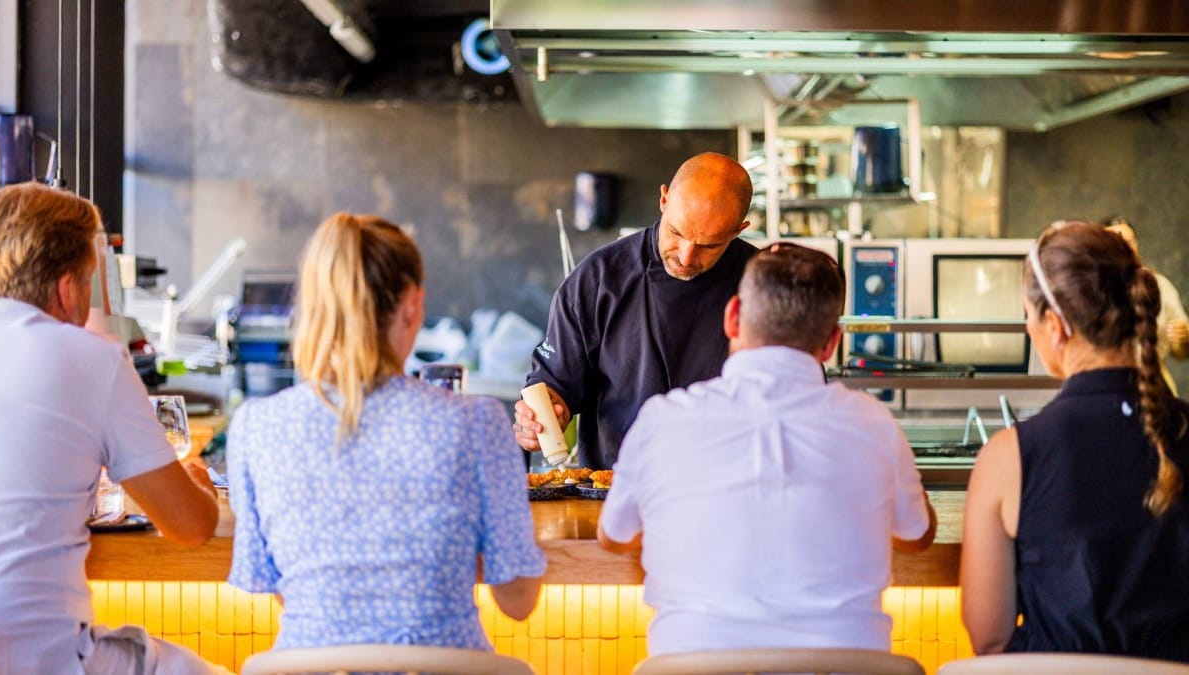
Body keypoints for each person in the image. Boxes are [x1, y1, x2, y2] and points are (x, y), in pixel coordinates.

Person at [596, 242, 937, 656]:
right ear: (831, 342)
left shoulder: (662, 421)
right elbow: (918, 535)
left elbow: (614, 536)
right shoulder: (874, 423)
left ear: (733, 317)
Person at [226, 213, 545, 651]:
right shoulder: (477, 424)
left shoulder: (255, 428)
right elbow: (519, 600)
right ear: (412, 304)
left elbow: (273, 582)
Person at [0, 183, 225, 674]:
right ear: (67, 287)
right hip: (37, 659)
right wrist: (199, 487)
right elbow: (189, 527)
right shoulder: (91, 359)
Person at [961, 221, 1189, 658]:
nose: (1029, 329)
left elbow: (988, 638)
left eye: (1029, 316)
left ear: (1055, 324)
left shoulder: (1008, 457)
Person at [515, 152, 758, 469]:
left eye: (709, 245)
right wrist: (543, 416)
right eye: (677, 232)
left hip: (730, 492)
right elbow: (555, 384)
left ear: (739, 229)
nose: (686, 256)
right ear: (663, 200)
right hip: (618, 490)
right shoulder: (598, 280)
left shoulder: (762, 285)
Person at [1104, 216, 1189, 394]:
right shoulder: (1088, 291)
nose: (1125, 248)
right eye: (1116, 242)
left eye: (1129, 241)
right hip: (1106, 388)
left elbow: (1180, 351)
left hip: (1155, 387)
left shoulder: (1158, 286)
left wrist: (1183, 338)